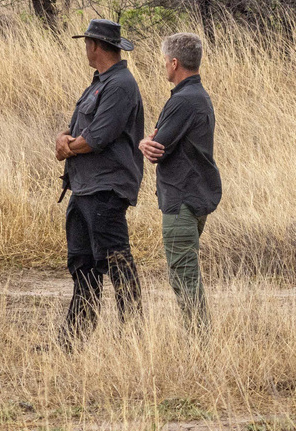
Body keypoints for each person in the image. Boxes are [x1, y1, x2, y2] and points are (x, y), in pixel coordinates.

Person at [55, 19, 145, 345]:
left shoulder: (120, 84)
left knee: (117, 261)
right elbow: (74, 129)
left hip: (106, 188)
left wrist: (67, 149)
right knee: (83, 264)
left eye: (86, 44)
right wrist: (62, 139)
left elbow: (97, 137)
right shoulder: (99, 82)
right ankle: (74, 339)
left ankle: (134, 339)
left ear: (95, 45)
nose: (85, 49)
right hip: (83, 187)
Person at [139, 32, 222, 331]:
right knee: (186, 273)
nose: (164, 67)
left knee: (183, 275)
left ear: (174, 63)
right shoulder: (196, 96)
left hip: (181, 198)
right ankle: (199, 338)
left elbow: (156, 149)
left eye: (164, 62)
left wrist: (143, 143)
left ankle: (199, 342)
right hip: (195, 195)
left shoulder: (184, 100)